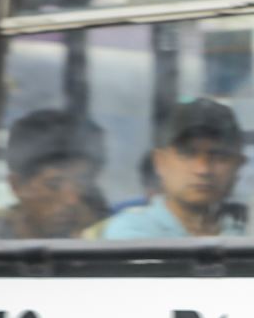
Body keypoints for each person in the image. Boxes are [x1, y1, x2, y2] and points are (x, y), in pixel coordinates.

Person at [102, 98, 246, 239]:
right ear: (160, 162)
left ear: (238, 165)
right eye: (188, 154)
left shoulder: (253, 229)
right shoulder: (131, 233)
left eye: (219, 156)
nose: (203, 170)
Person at [0, 109, 107, 239]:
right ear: (17, 185)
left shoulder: (106, 235)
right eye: (53, 185)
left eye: (82, 183)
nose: (72, 200)